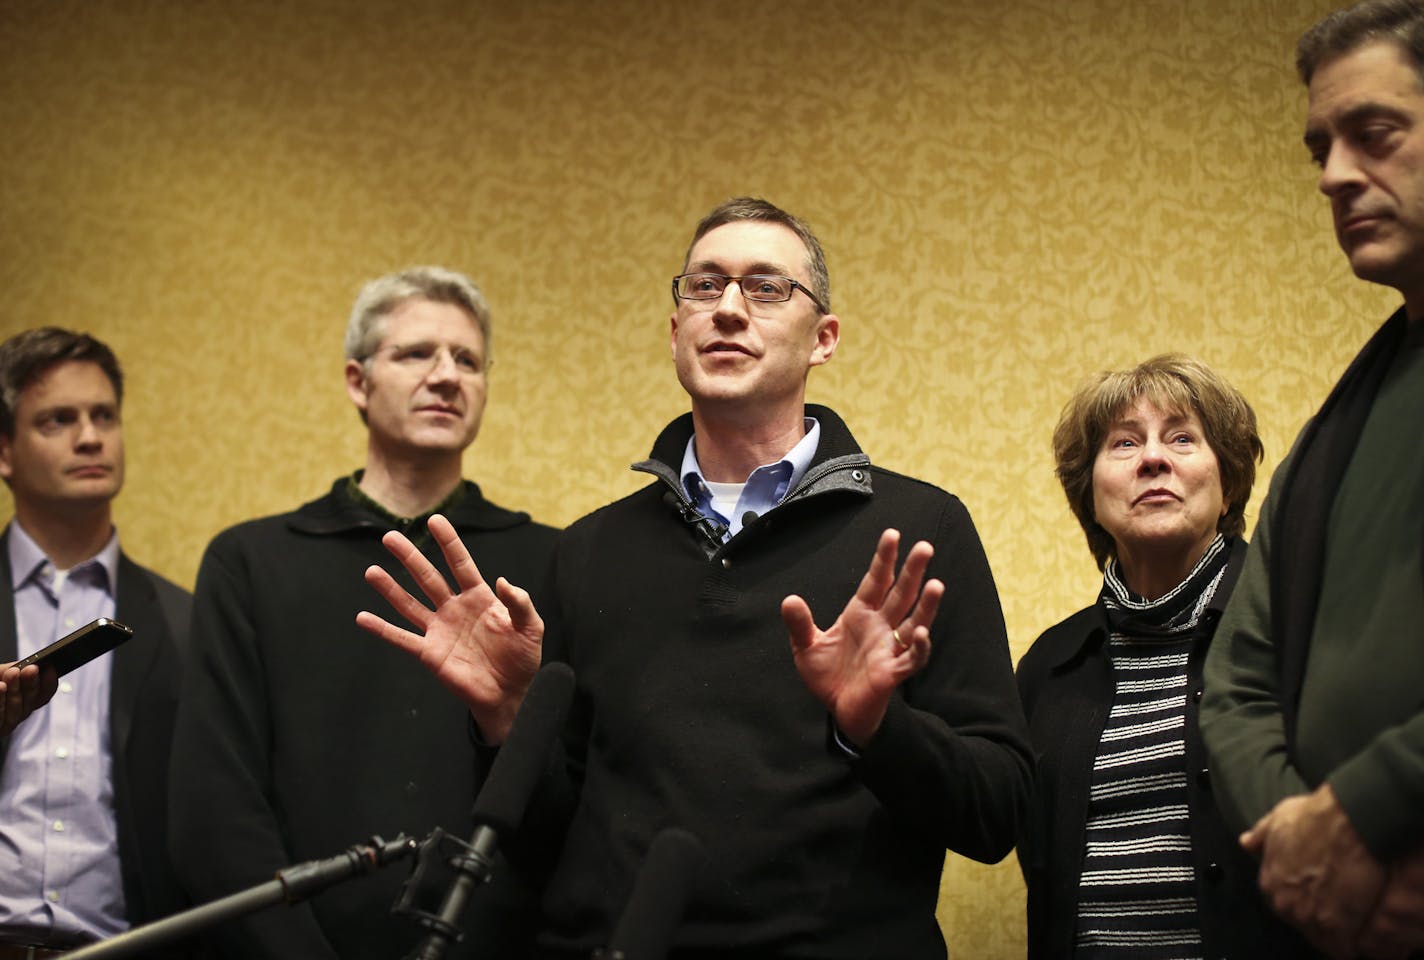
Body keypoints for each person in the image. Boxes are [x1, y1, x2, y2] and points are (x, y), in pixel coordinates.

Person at [359, 198, 1033, 959]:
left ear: (825, 339)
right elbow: (549, 844)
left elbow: (997, 813)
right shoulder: (590, 549)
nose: (730, 309)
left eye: (767, 288)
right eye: (704, 287)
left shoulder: (916, 530)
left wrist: (876, 729)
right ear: (675, 331)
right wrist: (511, 722)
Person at [167, 267, 558, 960]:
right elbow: (215, 810)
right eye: (416, 354)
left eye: (467, 360)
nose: (447, 377)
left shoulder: (548, 564)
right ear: (357, 381)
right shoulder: (252, 562)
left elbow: (574, 805)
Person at [1201, 2, 1424, 957]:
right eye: (1319, 148)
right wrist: (1303, 843)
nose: (1333, 175)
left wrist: (1373, 812)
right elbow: (1235, 681)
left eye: (1373, 134)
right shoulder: (1337, 430)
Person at [1016, 355, 1308, 958]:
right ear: (1090, 494)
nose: (1153, 458)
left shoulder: (1301, 624)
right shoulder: (1048, 666)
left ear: (1227, 484)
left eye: (1182, 438)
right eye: (1124, 443)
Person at [0, 327, 190, 954]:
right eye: (57, 420)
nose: (90, 437)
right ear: (4, 451)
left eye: (103, 415)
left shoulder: (185, 622)